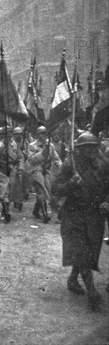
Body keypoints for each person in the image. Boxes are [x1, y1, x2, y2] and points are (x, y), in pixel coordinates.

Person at [52, 132, 109, 310]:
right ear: (80, 149)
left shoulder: (104, 164)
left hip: (95, 215)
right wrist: (71, 184)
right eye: (87, 147)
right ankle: (92, 293)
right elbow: (56, 189)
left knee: (89, 251)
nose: (92, 150)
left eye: (94, 146)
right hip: (74, 214)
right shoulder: (70, 165)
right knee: (82, 250)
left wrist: (107, 200)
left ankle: (72, 279)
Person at [0, 127, 24, 223]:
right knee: (3, 191)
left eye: (10, 134)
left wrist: (20, 168)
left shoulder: (15, 145)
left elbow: (20, 157)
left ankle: (5, 208)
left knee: (10, 190)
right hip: (0, 169)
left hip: (12, 169)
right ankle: (6, 211)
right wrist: (3, 146)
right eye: (6, 134)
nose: (8, 136)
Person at [28, 126, 61, 223]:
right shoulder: (32, 145)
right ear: (37, 135)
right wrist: (43, 153)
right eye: (41, 133)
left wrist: (61, 166)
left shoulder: (50, 146)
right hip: (36, 170)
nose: (43, 135)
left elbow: (56, 158)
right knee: (41, 189)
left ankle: (35, 211)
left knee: (48, 190)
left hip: (47, 170)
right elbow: (32, 160)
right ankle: (45, 214)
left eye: (45, 133)